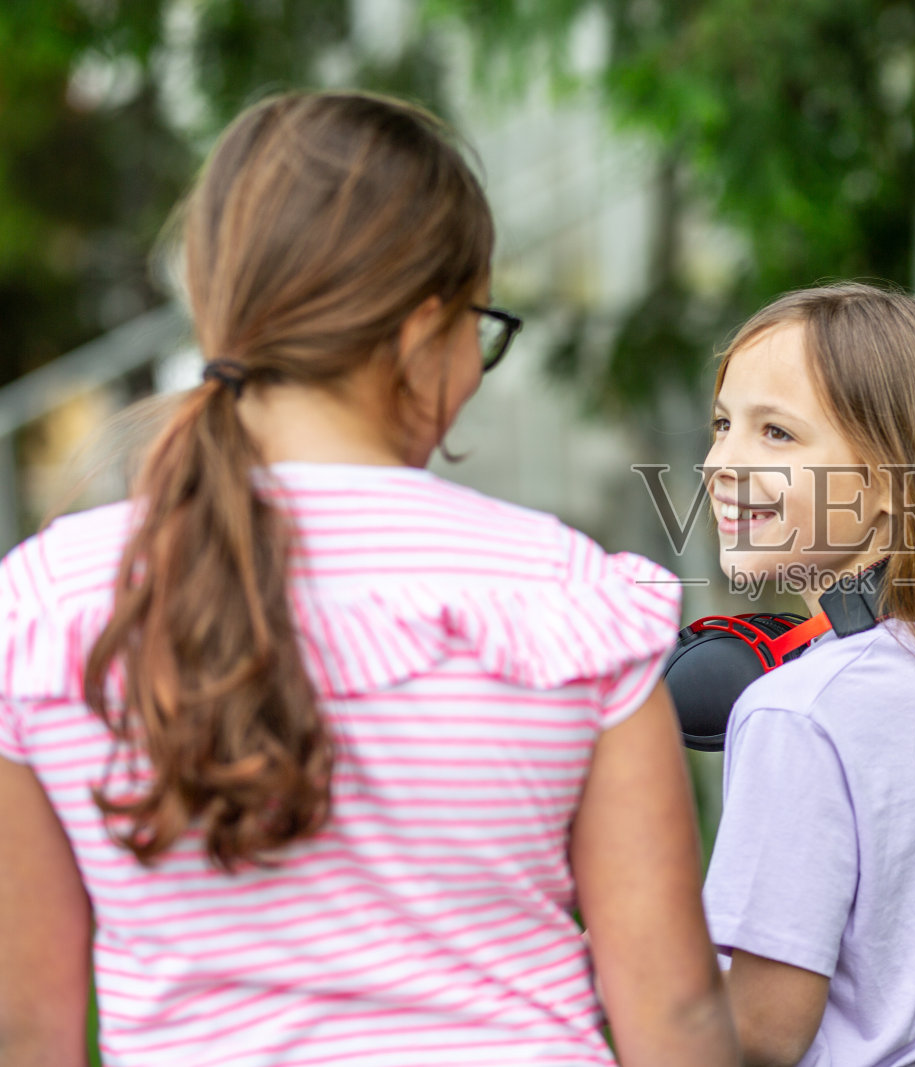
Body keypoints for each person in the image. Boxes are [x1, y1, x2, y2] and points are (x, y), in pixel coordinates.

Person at [0, 91, 737, 1067]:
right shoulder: (566, 600)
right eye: (481, 326)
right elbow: (674, 1016)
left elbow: (28, 1029)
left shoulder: (47, 608)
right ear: (422, 332)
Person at [701, 282, 915, 1066]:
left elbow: (763, 1031)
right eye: (721, 424)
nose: (720, 463)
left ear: (887, 488)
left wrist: (627, 960)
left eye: (775, 432)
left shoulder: (794, 711)